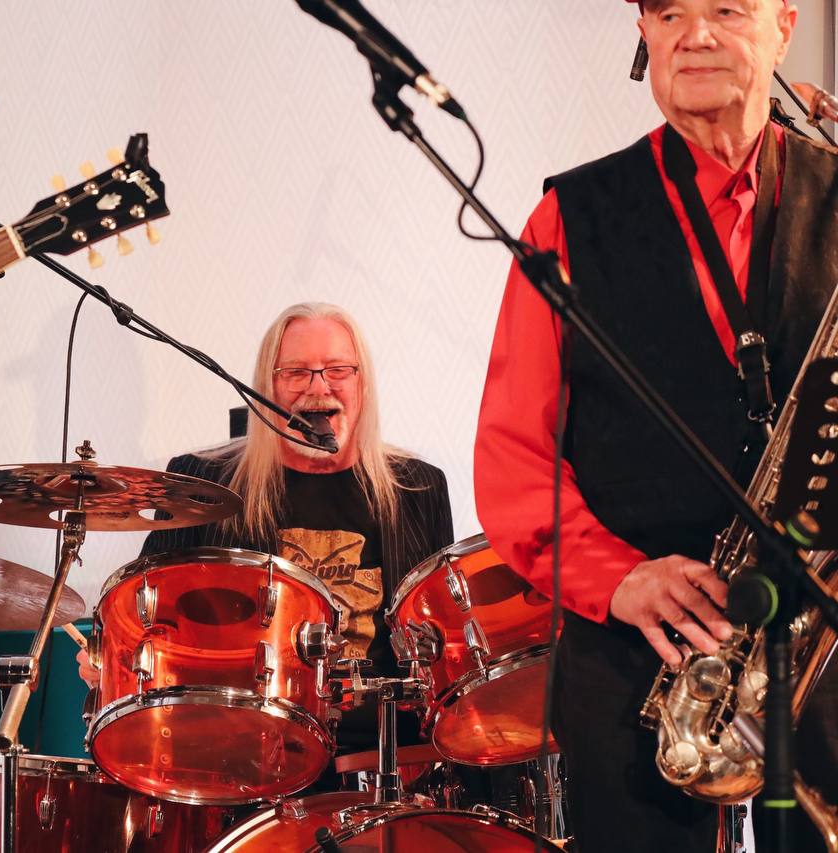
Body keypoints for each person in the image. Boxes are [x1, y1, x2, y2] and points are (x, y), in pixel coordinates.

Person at [475, 1, 838, 850]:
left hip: (822, 646)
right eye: (670, 12)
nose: (695, 35)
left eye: (726, 10)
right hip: (639, 662)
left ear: (785, 26)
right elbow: (515, 456)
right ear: (645, 34)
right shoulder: (567, 218)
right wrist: (620, 578)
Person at [79, 301, 454, 767]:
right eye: (295, 372)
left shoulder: (418, 488)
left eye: (338, 370)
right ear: (267, 387)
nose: (318, 387)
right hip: (241, 755)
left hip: (385, 761)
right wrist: (110, 652)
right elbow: (142, 612)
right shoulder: (202, 482)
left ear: (363, 384)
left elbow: (444, 642)